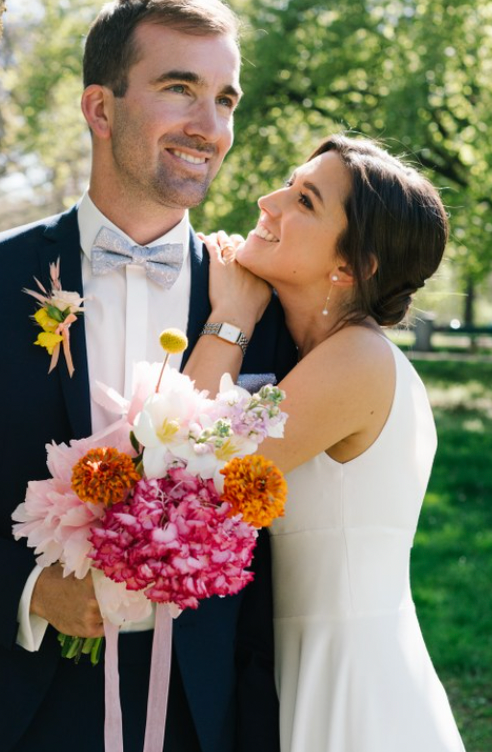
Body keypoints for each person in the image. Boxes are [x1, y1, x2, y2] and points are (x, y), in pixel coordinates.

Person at [0, 0, 296, 752]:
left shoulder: (257, 304)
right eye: (180, 89)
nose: (209, 125)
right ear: (100, 109)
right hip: (7, 708)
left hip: (200, 715)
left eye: (225, 99)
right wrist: (33, 591)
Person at [184, 134, 466, 752]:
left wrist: (230, 318)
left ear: (350, 267)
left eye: (304, 200)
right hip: (308, 661)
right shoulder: (324, 358)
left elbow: (189, 472)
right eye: (290, 183)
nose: (268, 200)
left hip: (353, 684)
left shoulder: (358, 362)